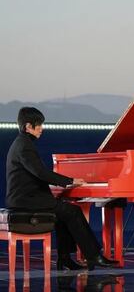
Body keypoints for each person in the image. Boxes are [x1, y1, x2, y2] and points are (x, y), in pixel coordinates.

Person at [6, 107, 118, 270]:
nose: (42, 129)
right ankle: (94, 256)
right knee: (73, 212)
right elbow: (40, 172)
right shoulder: (25, 145)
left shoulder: (21, 143)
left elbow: (35, 174)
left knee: (63, 213)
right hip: (27, 201)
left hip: (24, 198)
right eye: (39, 125)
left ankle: (64, 259)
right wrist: (69, 181)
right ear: (28, 126)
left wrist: (62, 183)